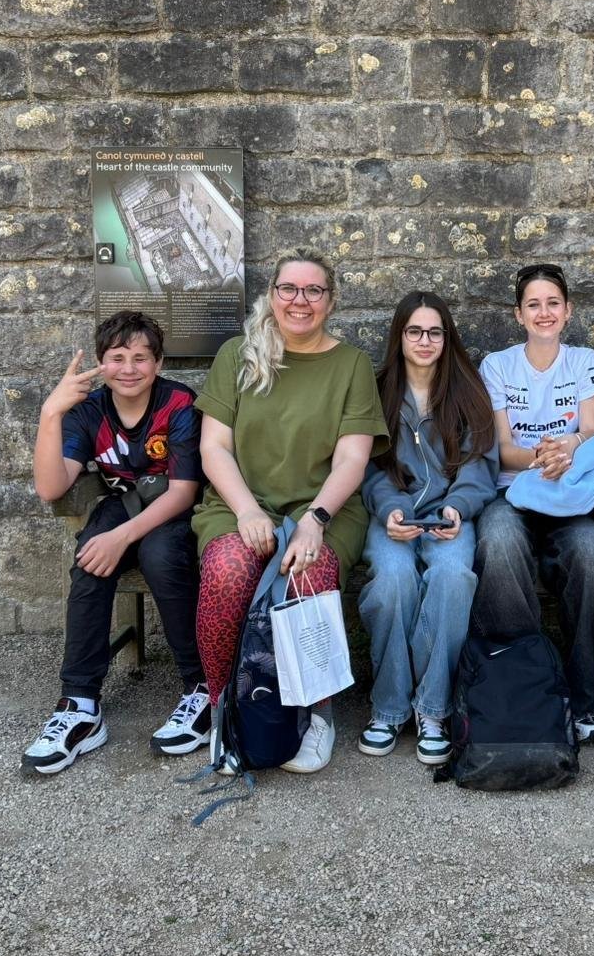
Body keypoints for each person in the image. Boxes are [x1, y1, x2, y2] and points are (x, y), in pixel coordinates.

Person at [192, 250, 389, 774]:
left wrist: (314, 521)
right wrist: (246, 511)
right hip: (240, 501)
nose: (300, 301)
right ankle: (225, 707)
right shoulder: (237, 355)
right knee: (228, 571)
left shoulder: (350, 365)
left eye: (313, 290)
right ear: (273, 294)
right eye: (289, 289)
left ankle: (316, 712)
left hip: (324, 506)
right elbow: (214, 448)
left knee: (308, 576)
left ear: (331, 300)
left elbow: (352, 459)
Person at [22, 310, 208, 776]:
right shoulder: (89, 410)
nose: (129, 368)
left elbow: (183, 492)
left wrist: (121, 537)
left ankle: (202, 687)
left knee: (161, 556)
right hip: (121, 503)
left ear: (158, 363)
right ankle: (80, 704)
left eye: (141, 358)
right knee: (89, 562)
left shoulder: (178, 403)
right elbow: (51, 486)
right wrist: (51, 412)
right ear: (101, 362)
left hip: (170, 507)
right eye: (117, 357)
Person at [473, 262, 594, 745]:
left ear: (568, 310)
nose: (544, 312)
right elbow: (501, 447)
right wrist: (542, 456)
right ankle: (525, 684)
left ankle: (586, 698)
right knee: (496, 541)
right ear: (519, 314)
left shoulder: (584, 360)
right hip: (513, 489)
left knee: (590, 552)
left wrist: (568, 449)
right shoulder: (497, 365)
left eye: (553, 302)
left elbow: (593, 432)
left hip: (570, 492)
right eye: (533, 304)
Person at [357, 292, 497, 766]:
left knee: (453, 578)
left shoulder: (469, 390)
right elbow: (368, 466)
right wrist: (389, 510)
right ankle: (389, 708)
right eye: (414, 331)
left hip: (450, 515)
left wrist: (458, 507)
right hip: (392, 514)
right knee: (392, 581)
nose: (424, 341)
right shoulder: (376, 391)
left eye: (435, 332)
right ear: (399, 337)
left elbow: (479, 463)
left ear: (447, 337)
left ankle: (433, 709)